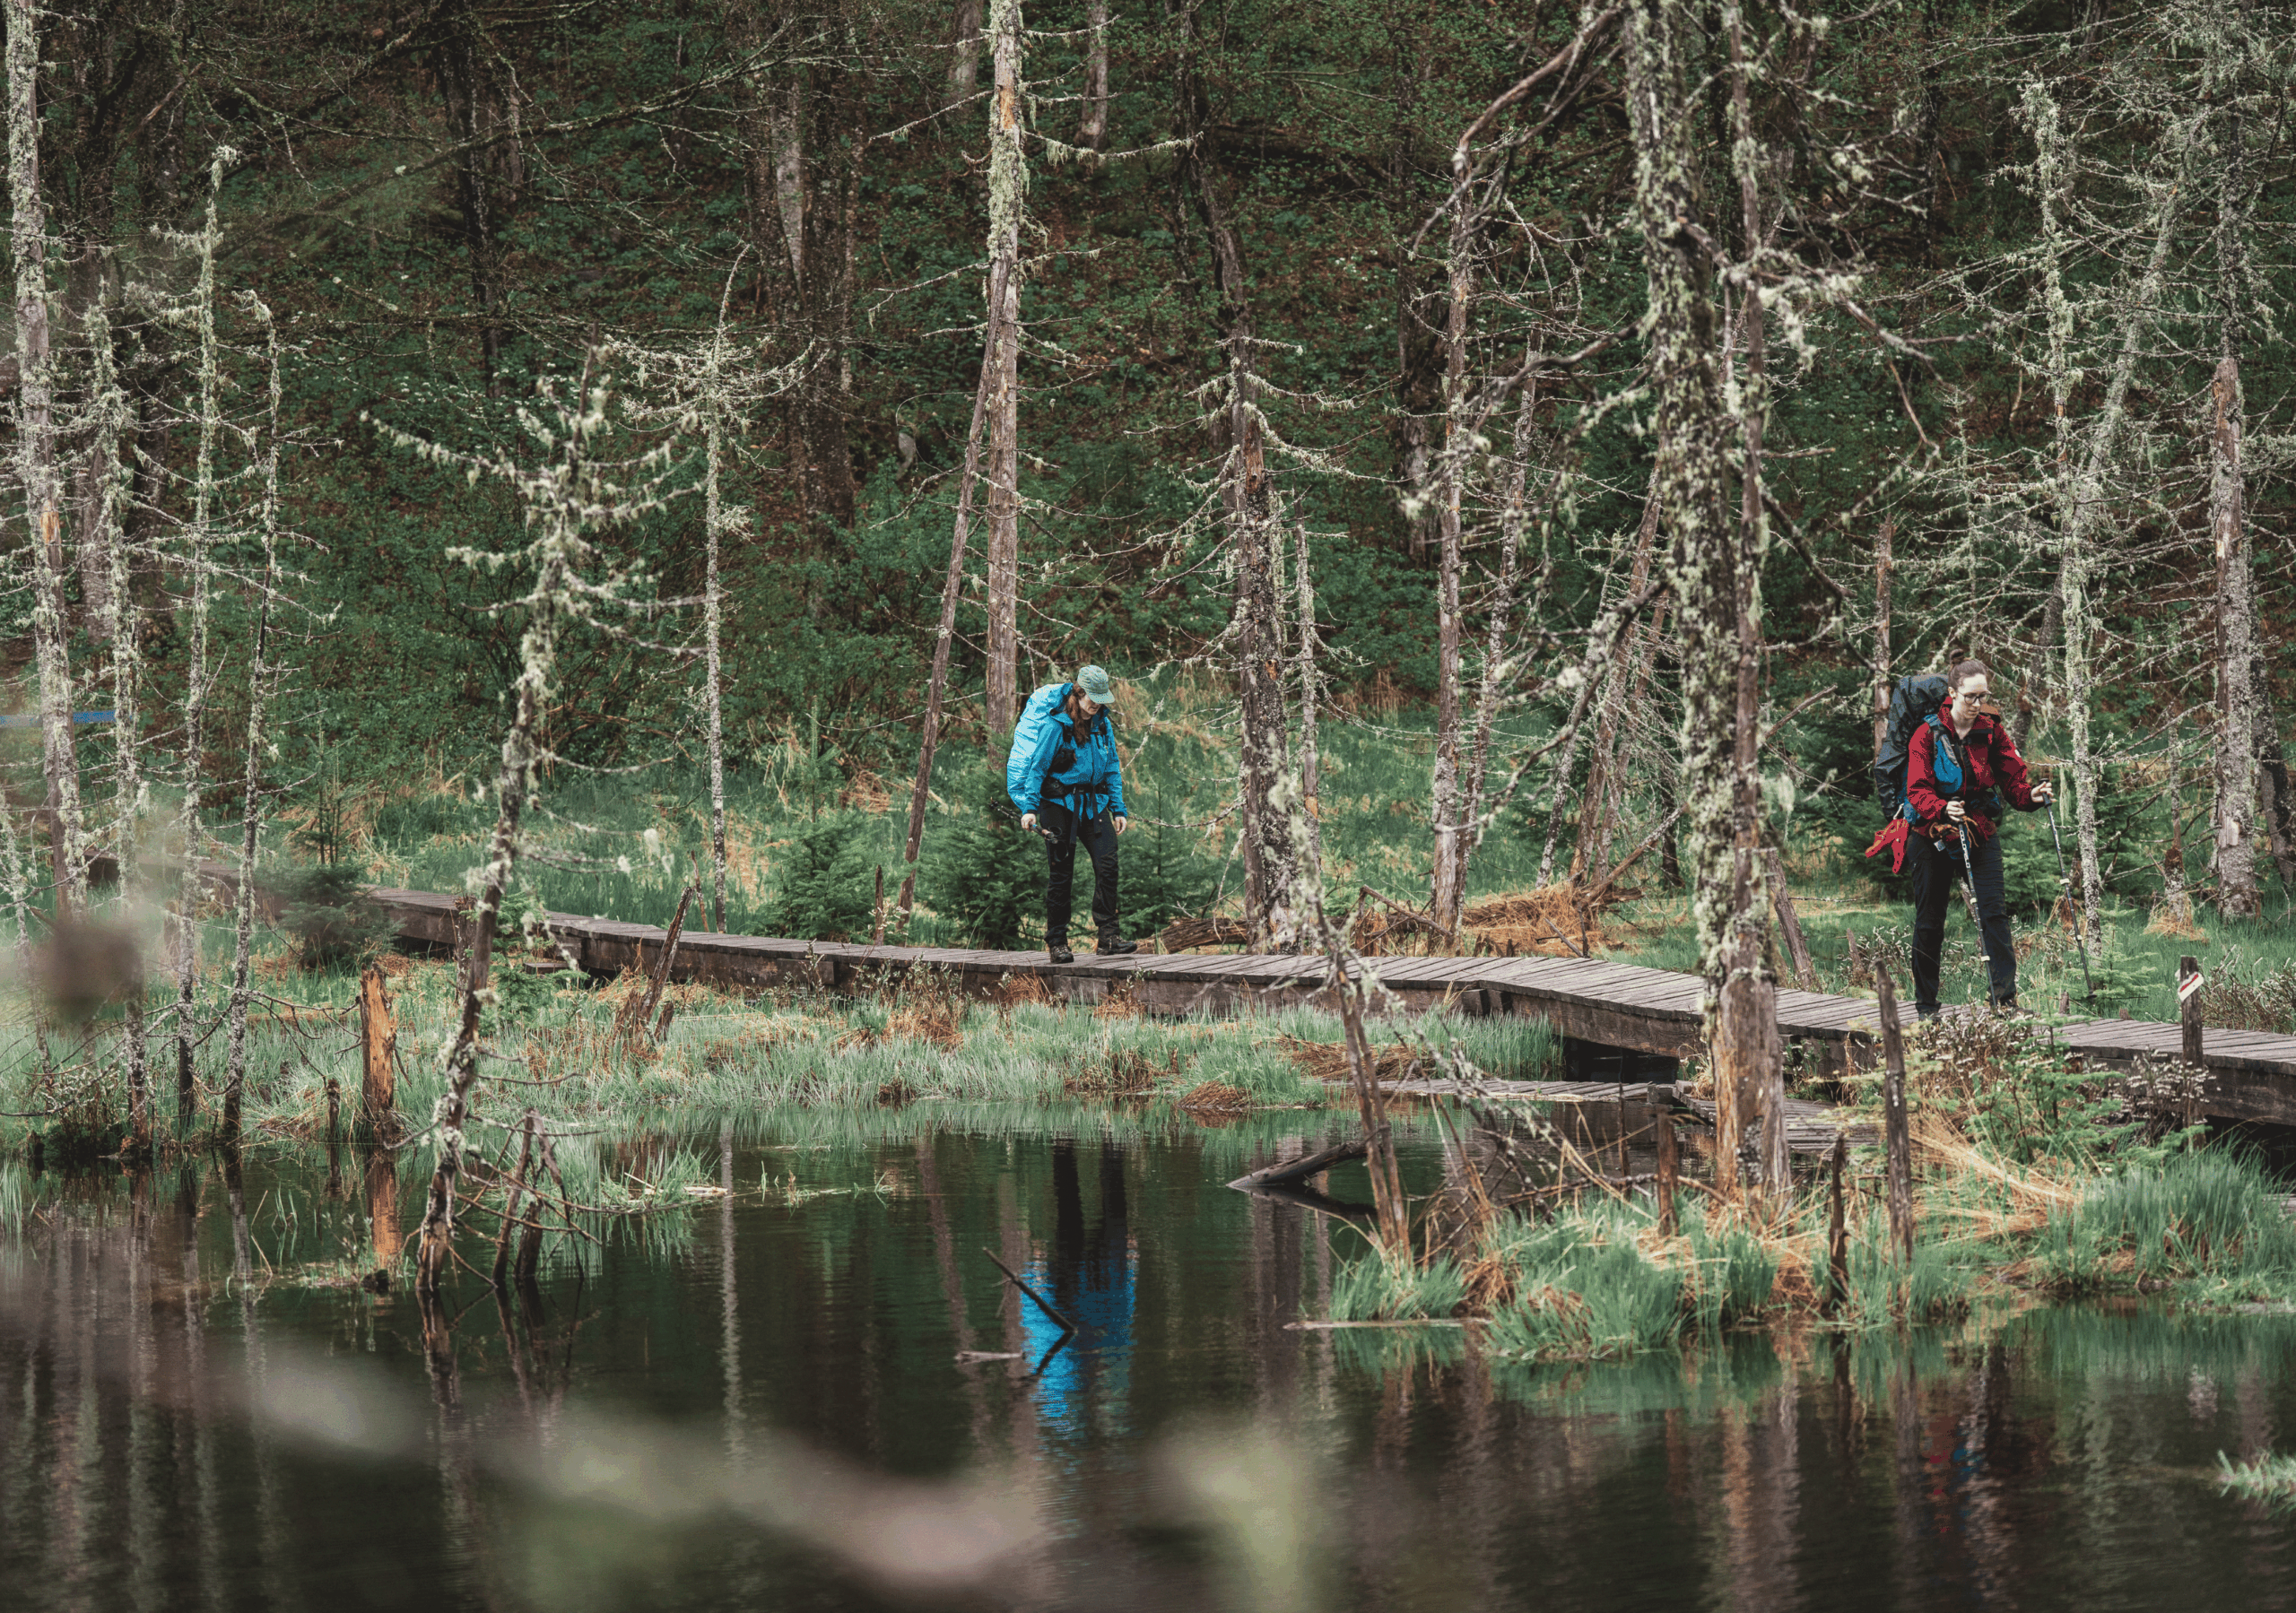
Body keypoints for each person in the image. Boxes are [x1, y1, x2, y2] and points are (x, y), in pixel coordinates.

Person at [1903, 658, 2054, 1016]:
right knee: (1930, 919)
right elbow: (1916, 789)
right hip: (1930, 834)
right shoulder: (1926, 734)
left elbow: (2013, 781)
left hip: (1978, 830)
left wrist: (2030, 796)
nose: (1976, 704)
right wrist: (1942, 809)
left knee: (1994, 914)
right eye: (1970, 697)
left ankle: (2004, 1002)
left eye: (1982, 696)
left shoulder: (1991, 731)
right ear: (1952, 693)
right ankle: (1926, 1007)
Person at [1008, 664, 1137, 964]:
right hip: (1058, 806)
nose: (1095, 704)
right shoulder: (1056, 726)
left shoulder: (1103, 725)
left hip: (1094, 805)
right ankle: (1057, 941)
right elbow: (1038, 768)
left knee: (1108, 864)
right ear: (1078, 693)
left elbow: (1111, 767)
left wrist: (1118, 808)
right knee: (1061, 874)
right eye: (1091, 697)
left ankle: (1108, 937)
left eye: (1100, 698)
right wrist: (1029, 808)